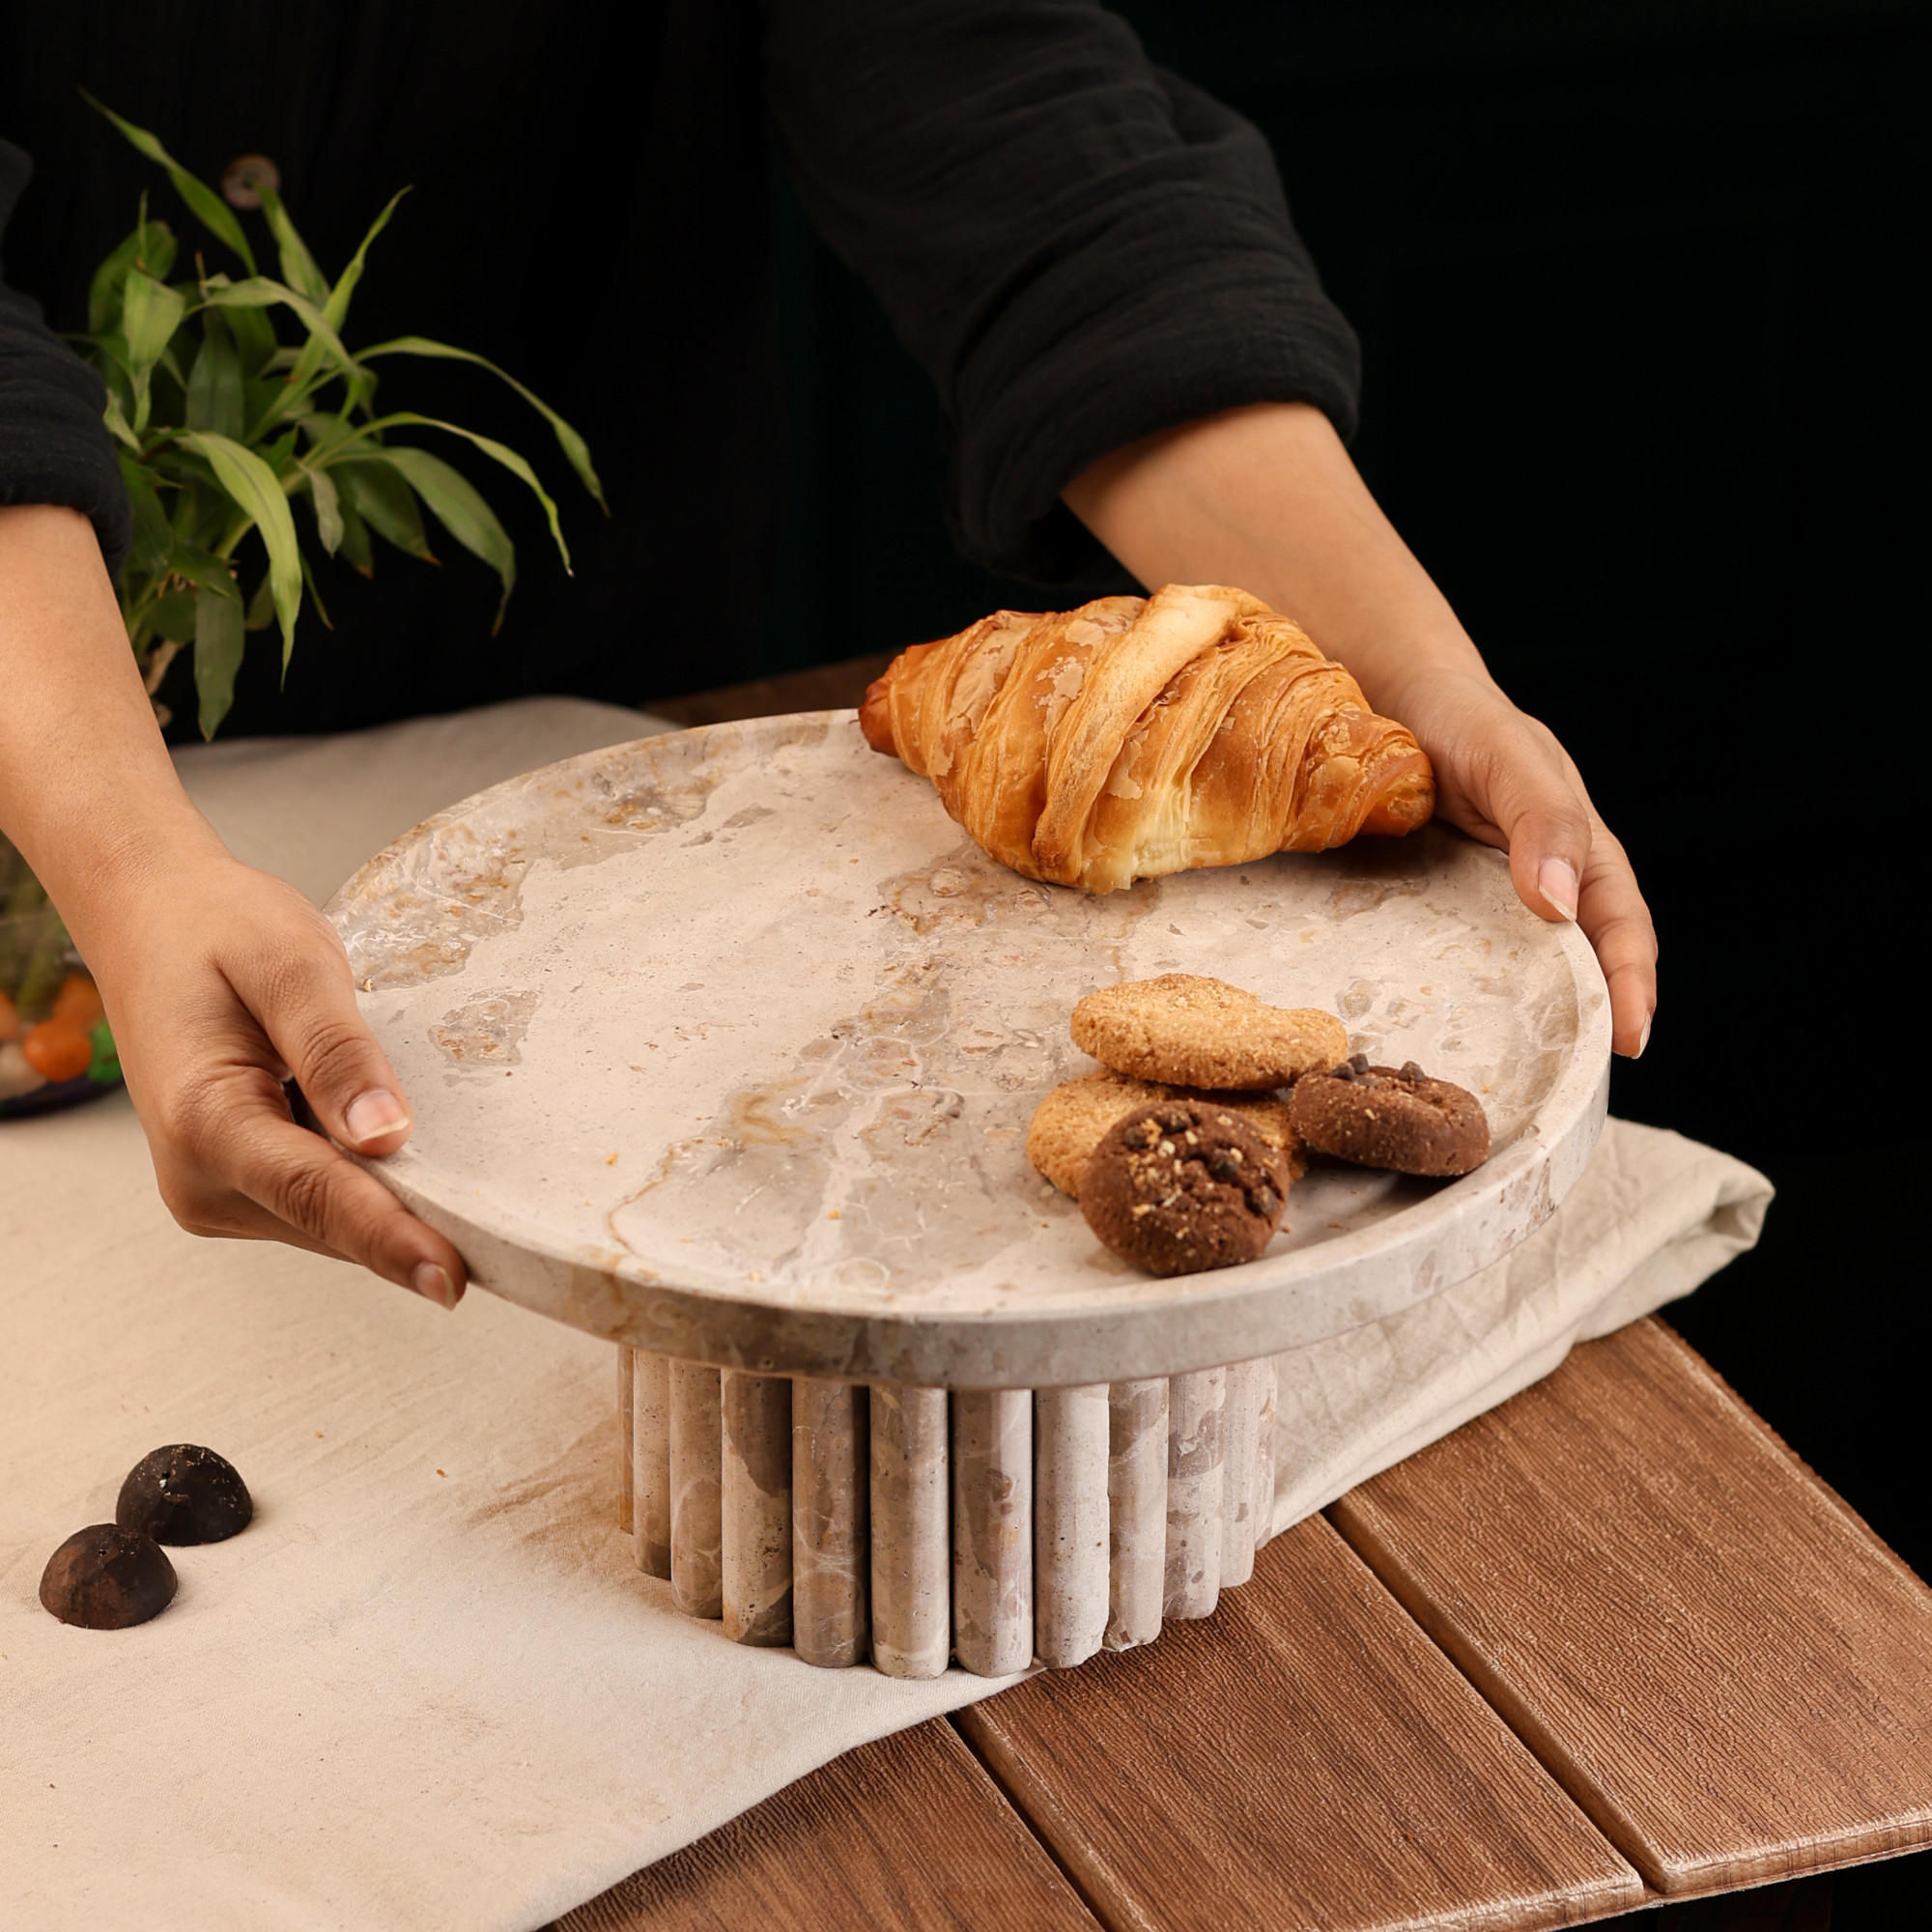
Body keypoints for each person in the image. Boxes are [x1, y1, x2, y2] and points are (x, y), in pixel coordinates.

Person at [0, 1, 1655, 1311]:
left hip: (606, 789)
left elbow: (1019, 135)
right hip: (55, 819)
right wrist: (125, 855)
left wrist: (1407, 680)